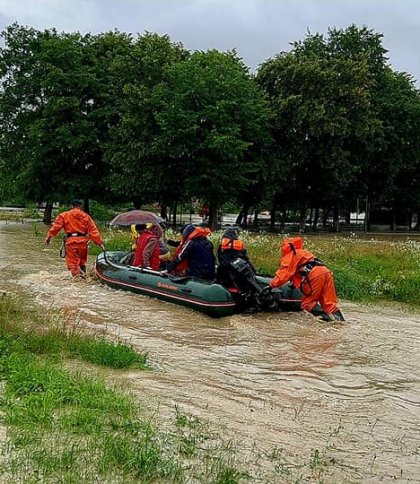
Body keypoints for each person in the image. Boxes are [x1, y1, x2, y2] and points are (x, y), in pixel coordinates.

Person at [266, 236, 345, 322]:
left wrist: (271, 286)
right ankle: (340, 323)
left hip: (314, 275)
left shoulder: (291, 255)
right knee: (329, 304)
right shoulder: (303, 252)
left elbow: (284, 274)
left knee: (307, 303)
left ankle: (328, 322)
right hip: (326, 272)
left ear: (285, 247)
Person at [45, 199, 105, 277]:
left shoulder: (64, 215)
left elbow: (55, 228)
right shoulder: (86, 216)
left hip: (71, 242)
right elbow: (93, 231)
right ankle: (84, 278)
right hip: (83, 242)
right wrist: (100, 244)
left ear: (71, 206)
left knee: (73, 264)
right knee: (82, 262)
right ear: (80, 206)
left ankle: (77, 282)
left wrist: (49, 237)